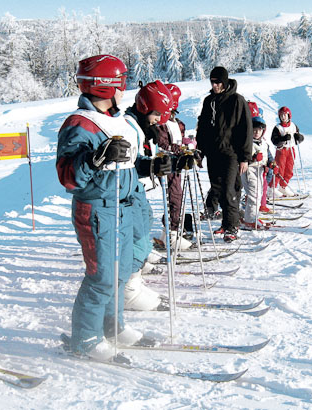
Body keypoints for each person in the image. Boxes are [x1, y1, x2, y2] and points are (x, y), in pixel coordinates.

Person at [56, 55, 171, 360]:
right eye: (122, 84)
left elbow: (125, 166)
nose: (125, 90)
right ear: (106, 86)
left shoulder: (118, 120)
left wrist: (152, 167)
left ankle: (113, 326)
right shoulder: (80, 124)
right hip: (96, 209)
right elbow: (68, 177)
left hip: (122, 204)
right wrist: (94, 158)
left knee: (118, 275)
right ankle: (86, 338)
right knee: (101, 277)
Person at [123, 80, 176, 306]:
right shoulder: (129, 126)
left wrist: (158, 163)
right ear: (145, 108)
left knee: (145, 223)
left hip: (135, 186)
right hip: (127, 189)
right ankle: (128, 291)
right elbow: (126, 163)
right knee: (136, 234)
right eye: (156, 114)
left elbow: (137, 160)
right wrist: (149, 166)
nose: (158, 120)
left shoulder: (140, 126)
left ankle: (134, 282)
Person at [196, 66, 253, 242]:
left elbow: (246, 129)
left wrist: (245, 157)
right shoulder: (209, 101)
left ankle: (232, 227)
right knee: (218, 190)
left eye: (219, 82)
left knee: (230, 190)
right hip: (213, 153)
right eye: (212, 82)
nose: (215, 85)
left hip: (231, 154)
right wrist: (200, 152)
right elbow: (203, 129)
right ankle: (226, 223)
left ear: (226, 81)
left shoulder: (237, 101)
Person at [153, 83, 195, 251]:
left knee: (176, 198)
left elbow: (179, 139)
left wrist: (189, 146)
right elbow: (163, 143)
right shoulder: (162, 124)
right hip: (167, 164)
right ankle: (172, 233)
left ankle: (170, 232)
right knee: (174, 198)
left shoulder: (176, 122)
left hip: (176, 165)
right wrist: (180, 149)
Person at [240, 112, 269, 229]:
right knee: (254, 195)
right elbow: (242, 155)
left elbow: (268, 156)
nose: (256, 133)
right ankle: (250, 220)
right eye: (254, 130)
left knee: (259, 194)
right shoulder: (247, 143)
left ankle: (253, 216)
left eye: (259, 130)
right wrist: (253, 158)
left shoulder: (264, 143)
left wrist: (270, 164)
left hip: (259, 170)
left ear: (263, 131)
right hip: (249, 170)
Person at [270, 106, 304, 197]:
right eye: (281, 115)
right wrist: (283, 139)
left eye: (285, 115)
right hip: (282, 150)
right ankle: (272, 188)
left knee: (289, 169)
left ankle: (283, 186)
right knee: (279, 169)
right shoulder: (278, 128)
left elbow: (298, 136)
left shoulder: (293, 126)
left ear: (289, 115)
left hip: (291, 149)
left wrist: (299, 138)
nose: (283, 117)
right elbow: (274, 140)